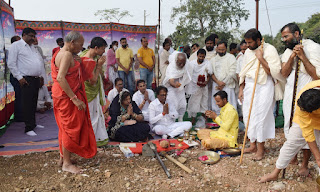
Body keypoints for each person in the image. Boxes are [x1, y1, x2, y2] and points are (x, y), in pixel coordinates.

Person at [52, 31, 97, 174]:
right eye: (80, 45)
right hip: (67, 97)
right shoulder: (66, 55)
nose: (81, 48)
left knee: (64, 127)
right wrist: (74, 98)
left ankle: (63, 158)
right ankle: (66, 163)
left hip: (60, 95)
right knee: (69, 128)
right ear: (72, 43)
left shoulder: (62, 53)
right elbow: (60, 78)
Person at [259, 80, 320, 183]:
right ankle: (275, 174)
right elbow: (308, 135)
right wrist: (318, 159)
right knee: (291, 143)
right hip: (304, 119)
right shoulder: (302, 102)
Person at [238, 28, 285, 160]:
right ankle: (252, 145)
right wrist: (241, 89)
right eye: (246, 42)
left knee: (261, 116)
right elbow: (243, 71)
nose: (247, 45)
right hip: (249, 85)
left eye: (250, 42)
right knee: (248, 114)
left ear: (258, 40)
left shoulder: (269, 50)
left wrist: (261, 58)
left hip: (264, 85)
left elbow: (274, 72)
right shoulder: (247, 52)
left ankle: (261, 149)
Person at [281, 23, 320, 166]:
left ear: (296, 34)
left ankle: (304, 163)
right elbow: (284, 74)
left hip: (308, 90)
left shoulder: (313, 48)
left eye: (286, 36)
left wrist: (302, 57)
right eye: (283, 37)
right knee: (289, 122)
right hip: (291, 90)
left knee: (308, 125)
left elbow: (317, 76)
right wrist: (292, 57)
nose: (284, 40)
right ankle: (292, 156)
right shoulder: (287, 51)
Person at [8, 27, 45, 136]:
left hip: (35, 78)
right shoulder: (16, 45)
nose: (33, 38)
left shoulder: (33, 47)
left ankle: (33, 124)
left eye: (34, 36)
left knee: (34, 102)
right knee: (27, 103)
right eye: (31, 36)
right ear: (24, 35)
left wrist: (40, 76)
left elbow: (37, 62)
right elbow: (11, 63)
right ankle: (28, 128)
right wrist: (19, 77)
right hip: (25, 79)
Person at [80, 37, 109, 147]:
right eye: (102, 49)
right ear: (96, 48)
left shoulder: (89, 54)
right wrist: (99, 66)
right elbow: (92, 81)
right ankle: (90, 142)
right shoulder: (88, 60)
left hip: (90, 92)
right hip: (89, 92)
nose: (104, 52)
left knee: (95, 116)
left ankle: (95, 140)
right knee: (92, 117)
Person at [186, 49, 212, 124]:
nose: (201, 58)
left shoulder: (207, 63)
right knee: (194, 102)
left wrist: (206, 81)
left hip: (204, 85)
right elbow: (188, 74)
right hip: (194, 85)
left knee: (204, 101)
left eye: (203, 57)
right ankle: (193, 118)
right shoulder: (192, 63)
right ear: (197, 56)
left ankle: (204, 118)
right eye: (200, 56)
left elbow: (210, 73)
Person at [163, 52, 191, 122]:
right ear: (176, 61)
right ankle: (172, 121)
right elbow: (171, 80)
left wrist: (181, 84)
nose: (181, 65)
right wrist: (175, 85)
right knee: (173, 104)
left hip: (180, 88)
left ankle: (180, 119)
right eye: (179, 63)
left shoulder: (186, 65)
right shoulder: (171, 67)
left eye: (183, 63)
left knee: (183, 104)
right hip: (171, 88)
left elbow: (187, 76)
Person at [210, 41, 238, 114]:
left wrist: (223, 83)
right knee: (217, 104)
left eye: (223, 49)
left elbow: (232, 72)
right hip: (216, 85)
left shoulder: (231, 57)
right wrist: (218, 82)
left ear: (226, 48)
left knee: (229, 104)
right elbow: (211, 72)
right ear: (217, 49)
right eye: (219, 49)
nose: (221, 51)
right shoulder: (213, 59)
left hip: (228, 85)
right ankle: (218, 121)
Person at [9, 35, 23, 122]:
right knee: (19, 96)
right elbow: (11, 64)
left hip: (20, 76)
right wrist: (19, 77)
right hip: (16, 77)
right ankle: (18, 117)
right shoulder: (13, 50)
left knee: (22, 97)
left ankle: (22, 115)